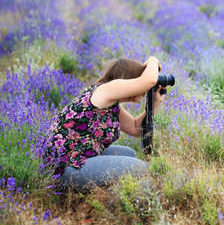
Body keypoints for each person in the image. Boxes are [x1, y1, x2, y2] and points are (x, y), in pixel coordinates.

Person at [43, 56, 165, 192]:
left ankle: (108, 193)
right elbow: (149, 80)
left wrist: (155, 103)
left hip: (79, 157)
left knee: (129, 153)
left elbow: (136, 128)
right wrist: (153, 60)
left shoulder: (110, 103)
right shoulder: (105, 90)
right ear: (127, 80)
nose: (142, 90)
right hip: (68, 169)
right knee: (142, 169)